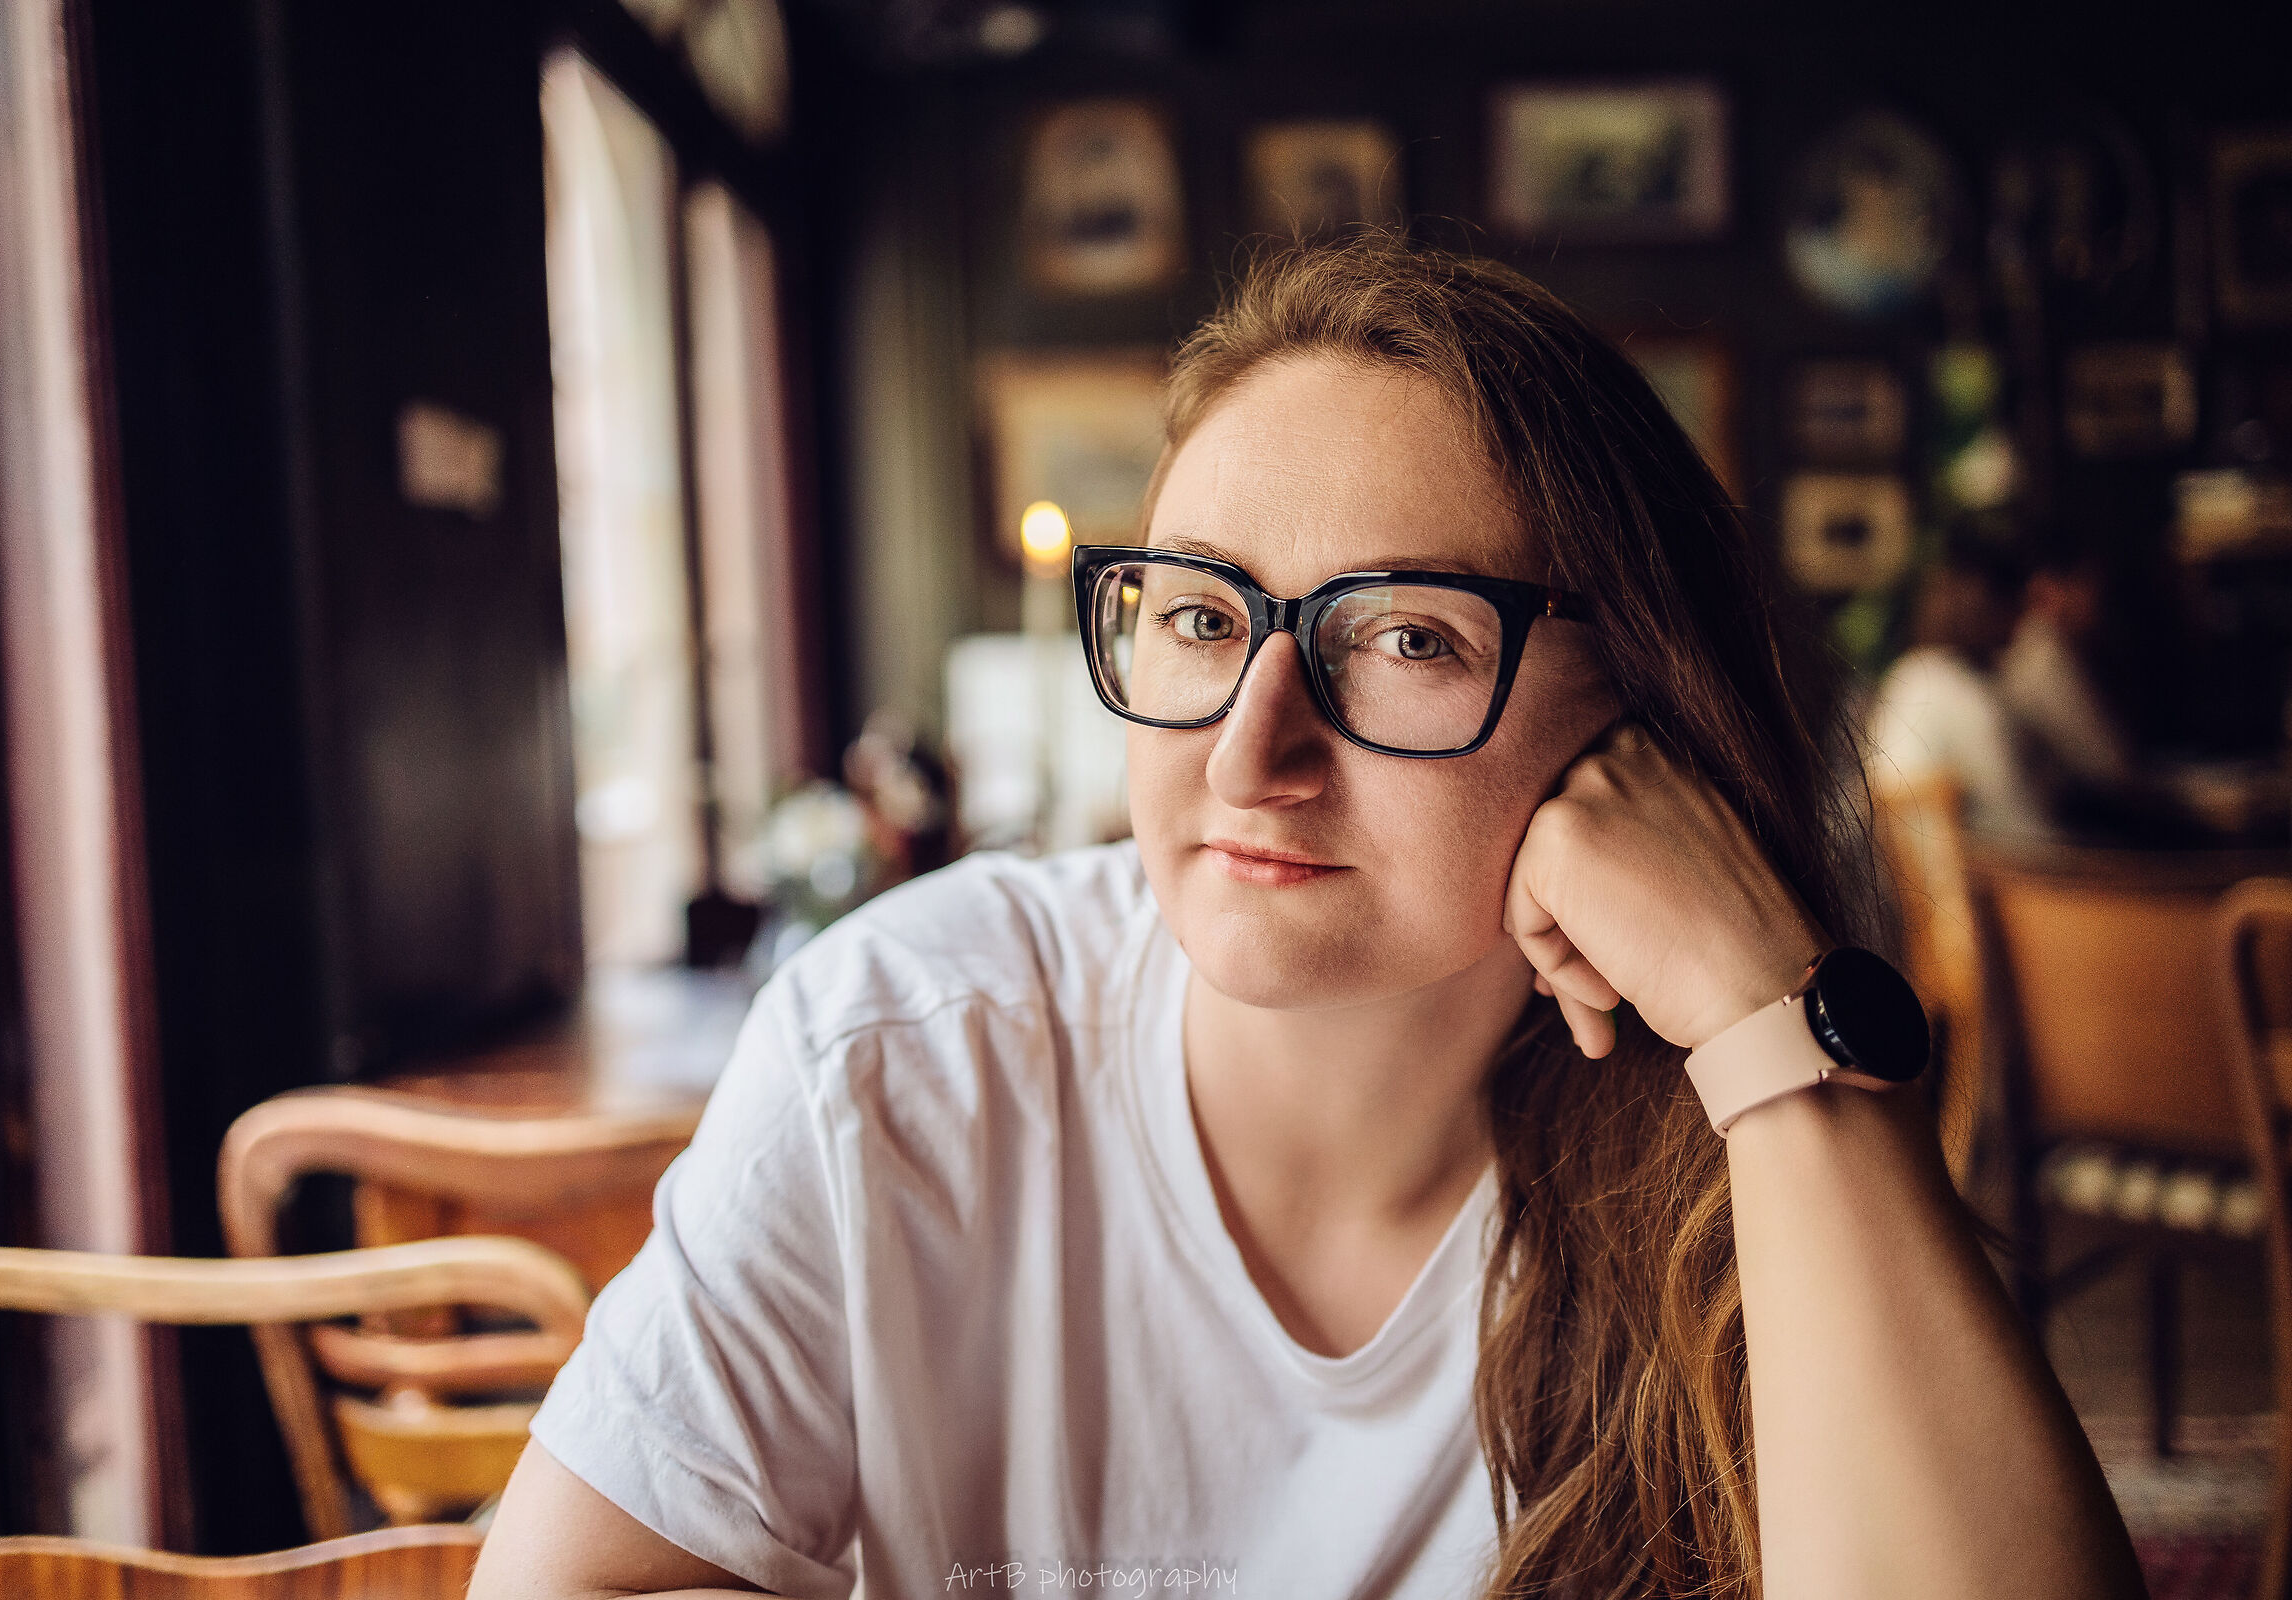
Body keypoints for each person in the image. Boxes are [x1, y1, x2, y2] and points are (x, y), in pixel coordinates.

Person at [473, 238, 2140, 1600]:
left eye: (1408, 638)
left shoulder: (1728, 1140)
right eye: (1201, 615)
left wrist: (1764, 1011)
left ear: (1637, 714)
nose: (1251, 752)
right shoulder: (906, 1049)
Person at [1865, 537, 2057, 842]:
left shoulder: (1915, 672)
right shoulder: (1957, 691)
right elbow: (2017, 824)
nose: (2026, 623)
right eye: (2019, 608)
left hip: (1916, 881)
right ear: (1993, 609)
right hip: (1973, 882)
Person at [2001, 546, 2134, 792]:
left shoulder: (2038, 644)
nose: (2095, 603)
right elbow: (2105, 765)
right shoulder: (2042, 653)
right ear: (2047, 587)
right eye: (2087, 587)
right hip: (2052, 819)